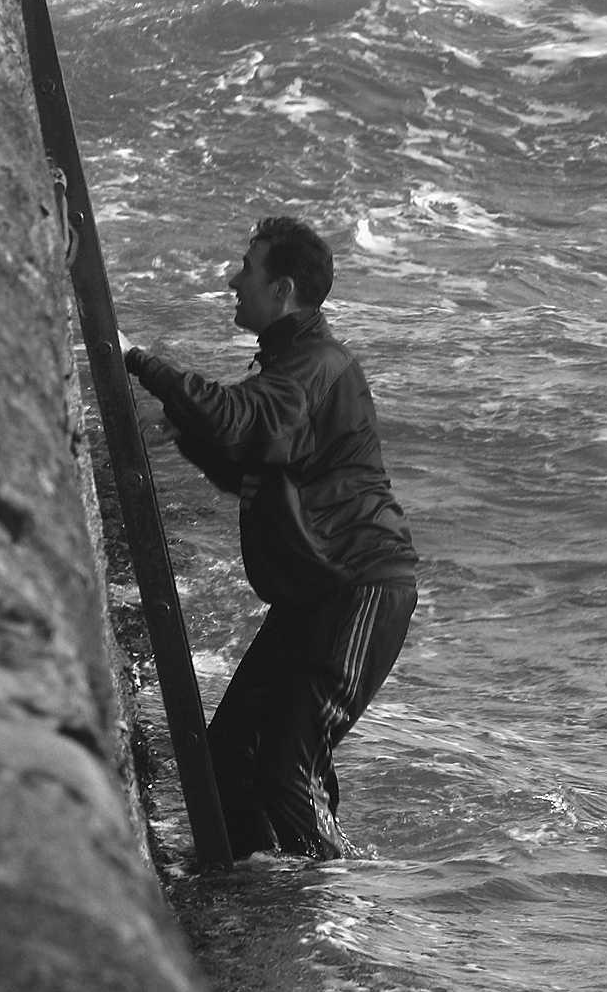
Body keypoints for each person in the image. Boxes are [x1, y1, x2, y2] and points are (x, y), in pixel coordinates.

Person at [120, 216, 417, 861]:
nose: (232, 278)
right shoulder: (294, 365)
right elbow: (248, 452)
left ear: (282, 290)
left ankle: (331, 906)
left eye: (246, 268)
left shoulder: (314, 367)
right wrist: (194, 431)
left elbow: (242, 416)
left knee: (289, 769)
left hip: (361, 586)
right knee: (230, 751)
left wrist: (136, 360)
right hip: (320, 588)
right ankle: (260, 887)